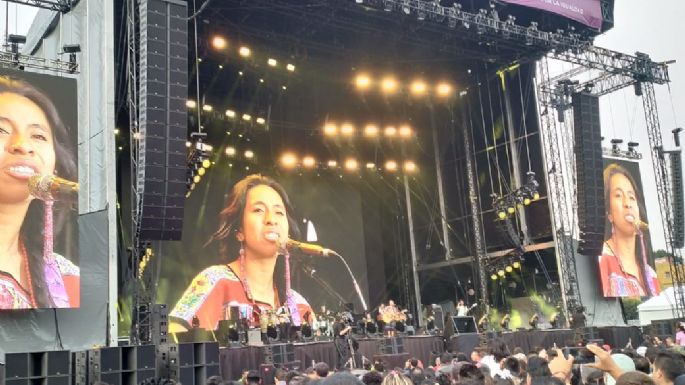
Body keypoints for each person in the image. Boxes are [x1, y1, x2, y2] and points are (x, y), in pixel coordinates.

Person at [169, 174, 314, 331]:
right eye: (259, 210)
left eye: (279, 212)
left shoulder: (299, 305)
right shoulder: (215, 281)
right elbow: (175, 336)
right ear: (239, 231)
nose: (271, 219)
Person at [0, 75, 79, 309]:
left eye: (38, 136)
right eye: (2, 130)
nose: (23, 145)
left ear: (54, 166)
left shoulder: (68, 280)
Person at [599, 164, 660, 297]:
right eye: (618, 195)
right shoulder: (601, 259)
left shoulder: (651, 274)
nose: (628, 203)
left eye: (632, 197)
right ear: (609, 213)